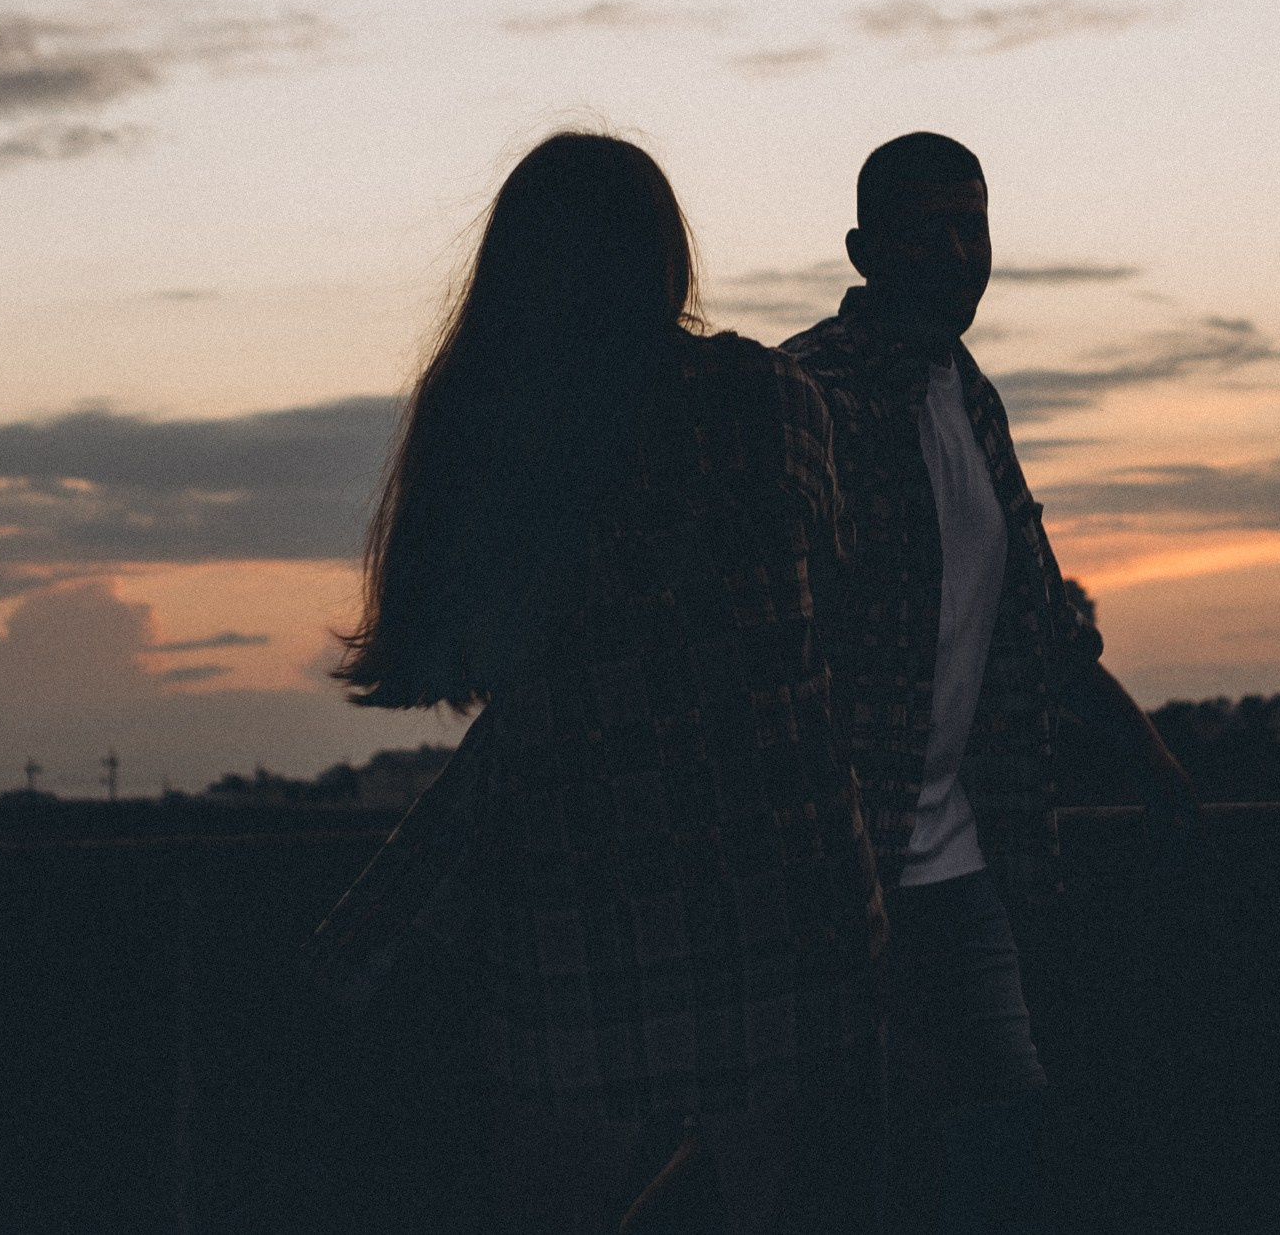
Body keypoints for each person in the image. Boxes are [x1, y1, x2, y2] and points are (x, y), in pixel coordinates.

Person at [308, 132, 887, 1234]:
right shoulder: (770, 398)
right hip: (788, 880)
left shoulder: (484, 425)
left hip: (586, 893)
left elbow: (452, 652)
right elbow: (829, 606)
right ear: (664, 254)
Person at [781, 132, 1200, 1234]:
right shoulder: (805, 396)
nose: (962, 252)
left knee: (1001, 1130)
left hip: (958, 856)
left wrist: (1147, 757)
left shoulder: (969, 396)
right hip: (833, 868)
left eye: (976, 224)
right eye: (932, 227)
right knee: (867, 1160)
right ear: (864, 251)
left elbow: (1041, 617)